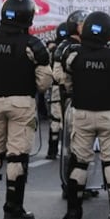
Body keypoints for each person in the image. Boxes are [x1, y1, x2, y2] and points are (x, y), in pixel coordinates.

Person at [0, 0, 53, 219]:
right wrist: (29, 90)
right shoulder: (33, 44)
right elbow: (45, 80)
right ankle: (13, 209)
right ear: (28, 16)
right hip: (21, 102)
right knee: (16, 156)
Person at [60, 11, 110, 219]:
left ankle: (73, 213)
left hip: (82, 112)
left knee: (80, 161)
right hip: (109, 113)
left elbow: (65, 81)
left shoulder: (73, 54)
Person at [50, 10, 89, 159]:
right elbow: (58, 74)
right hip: (67, 93)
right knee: (67, 124)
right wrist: (69, 85)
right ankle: (63, 152)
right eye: (82, 24)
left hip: (79, 93)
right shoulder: (65, 46)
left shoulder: (83, 45)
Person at [44, 22, 69, 159]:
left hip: (54, 87)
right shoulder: (70, 48)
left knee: (55, 119)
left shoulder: (52, 49)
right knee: (70, 119)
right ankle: (69, 150)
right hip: (67, 87)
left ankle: (52, 150)